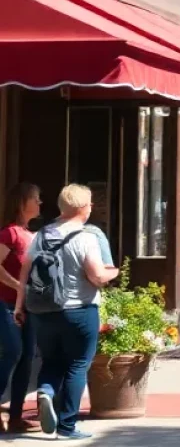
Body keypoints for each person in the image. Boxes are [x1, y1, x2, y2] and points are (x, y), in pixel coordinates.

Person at [16, 183, 119, 440]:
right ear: (84, 207)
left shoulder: (41, 235)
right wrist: (113, 272)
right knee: (77, 365)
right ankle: (67, 426)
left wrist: (20, 306)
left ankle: (46, 392)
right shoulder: (86, 237)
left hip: (42, 311)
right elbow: (96, 276)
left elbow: (25, 272)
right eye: (90, 203)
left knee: (52, 361)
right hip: (79, 311)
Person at [0, 183, 41, 434]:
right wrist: (19, 287)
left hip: (27, 308)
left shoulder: (30, 234)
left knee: (27, 356)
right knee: (13, 352)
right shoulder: (9, 234)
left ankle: (16, 416)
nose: (40, 203)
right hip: (5, 303)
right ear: (21, 202)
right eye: (35, 199)